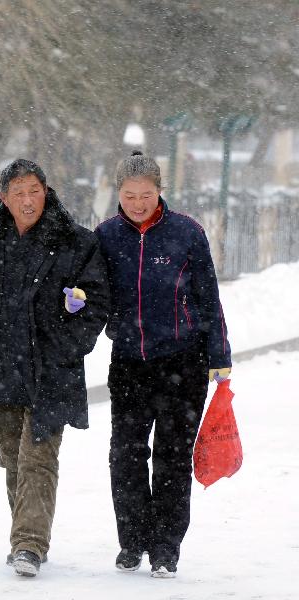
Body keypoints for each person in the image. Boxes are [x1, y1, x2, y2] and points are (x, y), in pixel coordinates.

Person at [0, 159, 109, 577]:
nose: (28, 200)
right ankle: (25, 533)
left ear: (46, 192)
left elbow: (98, 299)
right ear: (4, 198)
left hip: (50, 369)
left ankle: (28, 543)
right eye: (19, 193)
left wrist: (67, 343)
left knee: (38, 458)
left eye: (34, 190)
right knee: (12, 458)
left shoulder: (75, 242)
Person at [95, 151, 231, 578]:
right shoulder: (105, 236)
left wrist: (219, 357)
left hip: (183, 362)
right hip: (130, 362)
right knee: (126, 455)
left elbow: (208, 296)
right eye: (130, 195)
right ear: (118, 193)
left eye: (146, 194)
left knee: (172, 458)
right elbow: (90, 291)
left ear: (160, 192)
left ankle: (166, 548)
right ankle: (133, 542)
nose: (138, 203)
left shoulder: (186, 233)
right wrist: (76, 303)